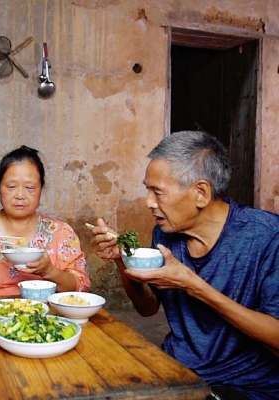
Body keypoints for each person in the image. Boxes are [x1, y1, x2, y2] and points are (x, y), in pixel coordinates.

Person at [90, 131, 279, 399]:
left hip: (247, 386)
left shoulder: (268, 237)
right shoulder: (165, 234)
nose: (148, 203)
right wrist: (123, 261)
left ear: (200, 193)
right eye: (147, 190)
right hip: (178, 372)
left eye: (157, 192)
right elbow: (147, 308)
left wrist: (194, 286)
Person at [0, 145, 90, 297]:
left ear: (41, 189)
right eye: (11, 186)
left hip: (46, 316)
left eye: (30, 188)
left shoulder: (61, 232)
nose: (20, 195)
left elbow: (80, 288)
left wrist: (49, 270)